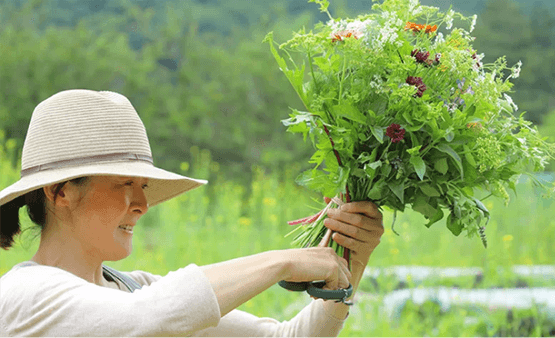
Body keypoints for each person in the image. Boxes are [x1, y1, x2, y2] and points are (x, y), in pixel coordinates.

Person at [0, 89, 384, 337]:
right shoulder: (23, 297)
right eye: (123, 185)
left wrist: (349, 257)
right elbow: (148, 317)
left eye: (144, 187)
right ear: (61, 192)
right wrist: (284, 262)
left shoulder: (133, 288)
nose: (142, 204)